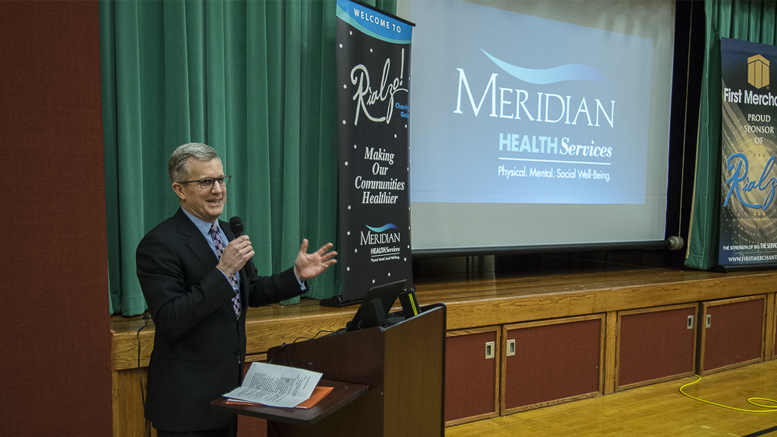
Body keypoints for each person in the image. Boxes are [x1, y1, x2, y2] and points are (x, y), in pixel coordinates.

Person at [136, 143, 337, 437]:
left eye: (220, 179)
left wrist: (295, 276)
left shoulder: (228, 232)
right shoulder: (159, 244)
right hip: (186, 405)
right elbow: (170, 319)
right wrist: (223, 270)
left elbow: (250, 291)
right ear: (179, 189)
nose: (218, 190)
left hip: (228, 395)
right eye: (206, 182)